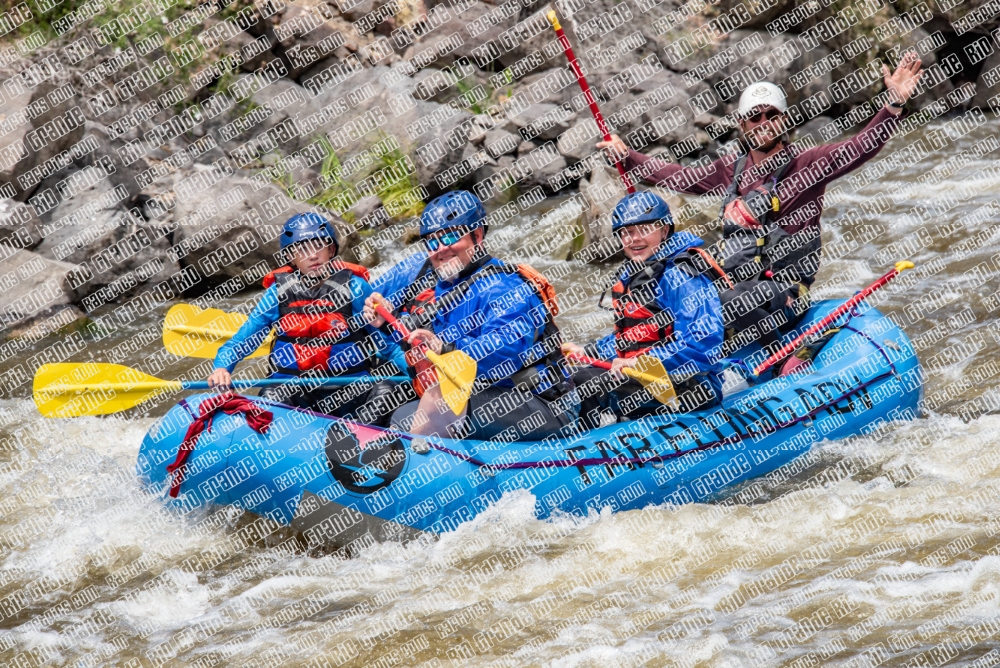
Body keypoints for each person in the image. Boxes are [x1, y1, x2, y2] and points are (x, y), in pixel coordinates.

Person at [596, 52, 925, 349]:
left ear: (783, 121)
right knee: (668, 287)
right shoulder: (731, 170)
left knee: (730, 300)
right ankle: (644, 358)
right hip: (736, 284)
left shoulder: (807, 165)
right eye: (755, 116)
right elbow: (680, 177)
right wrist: (627, 158)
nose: (764, 123)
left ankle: (781, 357)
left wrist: (892, 106)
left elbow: (859, 148)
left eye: (772, 115)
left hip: (786, 293)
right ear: (742, 124)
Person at [363, 190, 574, 440]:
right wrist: (381, 325)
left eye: (451, 236)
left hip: (539, 403)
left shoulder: (505, 287)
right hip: (463, 394)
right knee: (384, 395)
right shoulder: (419, 270)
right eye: (432, 241)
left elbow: (506, 353)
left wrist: (446, 348)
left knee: (433, 403)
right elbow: (365, 303)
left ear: (478, 235)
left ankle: (412, 470)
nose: (441, 249)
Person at [207, 213, 407, 426]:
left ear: (331, 250)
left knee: (387, 389)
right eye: (302, 249)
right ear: (291, 257)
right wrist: (222, 368)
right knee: (271, 395)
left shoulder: (355, 288)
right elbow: (241, 342)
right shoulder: (277, 294)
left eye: (319, 246)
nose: (312, 255)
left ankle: (364, 441)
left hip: (351, 391)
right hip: (294, 393)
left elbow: (388, 348)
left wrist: (418, 373)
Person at [561, 192, 725, 430]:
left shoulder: (682, 276)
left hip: (692, 386)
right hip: (651, 378)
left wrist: (642, 362)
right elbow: (632, 338)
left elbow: (704, 345)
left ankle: (579, 451)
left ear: (665, 230)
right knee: (574, 372)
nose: (634, 239)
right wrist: (588, 351)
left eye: (644, 229)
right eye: (626, 232)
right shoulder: (638, 272)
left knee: (586, 381)